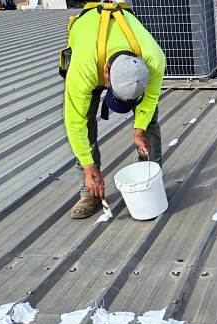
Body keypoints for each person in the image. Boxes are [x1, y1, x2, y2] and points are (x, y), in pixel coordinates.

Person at [63, 2, 166, 219]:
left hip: (121, 49)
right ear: (107, 73)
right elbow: (75, 122)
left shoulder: (154, 58)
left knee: (150, 120)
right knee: (86, 123)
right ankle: (89, 191)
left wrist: (139, 130)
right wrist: (89, 166)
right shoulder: (84, 68)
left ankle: (151, 178)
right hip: (90, 49)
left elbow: (150, 99)